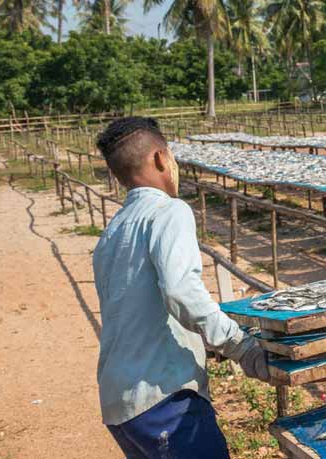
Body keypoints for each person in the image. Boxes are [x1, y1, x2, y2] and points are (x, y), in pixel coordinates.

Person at [92, 117, 269, 459]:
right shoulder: (168, 211)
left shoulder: (112, 231)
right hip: (162, 397)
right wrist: (242, 347)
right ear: (161, 158)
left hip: (120, 403)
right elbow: (181, 291)